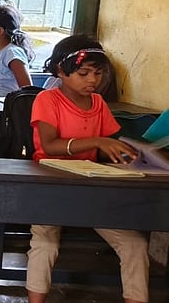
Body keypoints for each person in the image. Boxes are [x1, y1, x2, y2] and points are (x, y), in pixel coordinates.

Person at [27, 35, 146, 303]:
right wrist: (97, 141)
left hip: (89, 188)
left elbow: (108, 146)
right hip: (50, 187)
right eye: (84, 73)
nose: (92, 80)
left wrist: (135, 155)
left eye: (98, 73)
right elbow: (50, 145)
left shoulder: (99, 104)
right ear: (60, 70)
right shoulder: (48, 100)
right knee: (45, 242)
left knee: (134, 244)